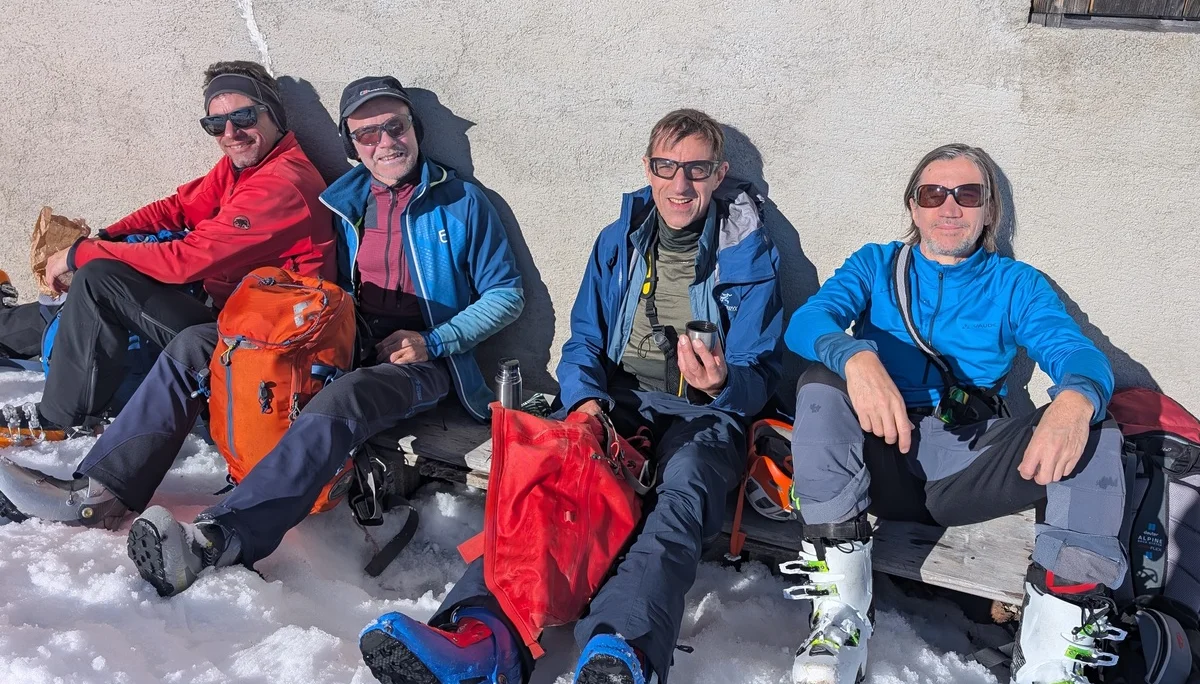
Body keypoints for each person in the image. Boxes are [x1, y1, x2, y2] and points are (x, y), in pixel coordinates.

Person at [0, 76, 525, 599]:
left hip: (423, 360)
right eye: (366, 134)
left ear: (416, 129)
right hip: (339, 334)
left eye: (395, 127)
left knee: (343, 398)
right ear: (351, 144)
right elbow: (186, 211)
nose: (384, 142)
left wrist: (435, 341)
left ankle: (220, 536)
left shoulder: (461, 203)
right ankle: (100, 491)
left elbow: (506, 294)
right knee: (196, 346)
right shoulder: (348, 199)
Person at [358, 109, 783, 684]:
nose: (680, 185)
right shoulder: (619, 241)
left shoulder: (749, 253)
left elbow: (760, 371)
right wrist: (584, 400)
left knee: (678, 503)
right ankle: (479, 640)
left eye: (697, 169)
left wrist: (722, 383)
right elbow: (584, 339)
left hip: (705, 416)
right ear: (648, 169)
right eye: (667, 167)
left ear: (719, 173)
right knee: (539, 494)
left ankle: (619, 652)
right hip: (615, 403)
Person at [782, 144, 1127, 684]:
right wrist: (855, 357)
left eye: (967, 195)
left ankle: (1052, 657)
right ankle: (842, 615)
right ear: (913, 207)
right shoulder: (874, 264)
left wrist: (1077, 398)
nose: (949, 207)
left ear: (988, 211)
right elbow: (808, 322)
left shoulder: (1015, 284)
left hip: (968, 466)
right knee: (820, 383)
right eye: (932, 193)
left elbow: (1074, 352)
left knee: (1095, 433)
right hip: (879, 462)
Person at [0, 60, 336, 442]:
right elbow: (176, 208)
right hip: (228, 317)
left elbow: (184, 261)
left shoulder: (282, 184)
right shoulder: (245, 167)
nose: (230, 133)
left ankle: (60, 416)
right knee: (96, 282)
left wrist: (84, 254)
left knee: (100, 279)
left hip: (256, 348)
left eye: (243, 117)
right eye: (215, 124)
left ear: (272, 115)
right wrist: (109, 236)